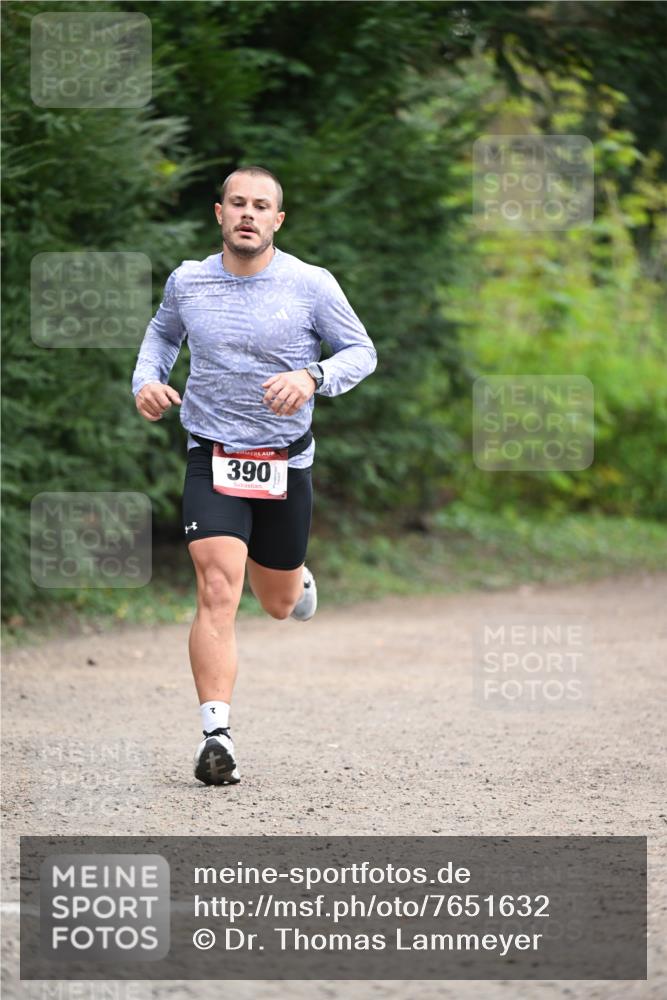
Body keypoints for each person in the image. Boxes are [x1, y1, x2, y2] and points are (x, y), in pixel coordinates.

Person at [131, 165, 377, 786]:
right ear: (219, 213)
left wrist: (312, 376)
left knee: (276, 602)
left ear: (277, 219)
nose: (247, 213)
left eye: (260, 205)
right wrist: (147, 381)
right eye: (236, 203)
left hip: (285, 462)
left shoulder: (311, 285)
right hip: (211, 455)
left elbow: (361, 351)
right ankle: (217, 735)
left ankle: (294, 580)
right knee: (218, 587)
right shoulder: (188, 281)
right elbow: (162, 334)